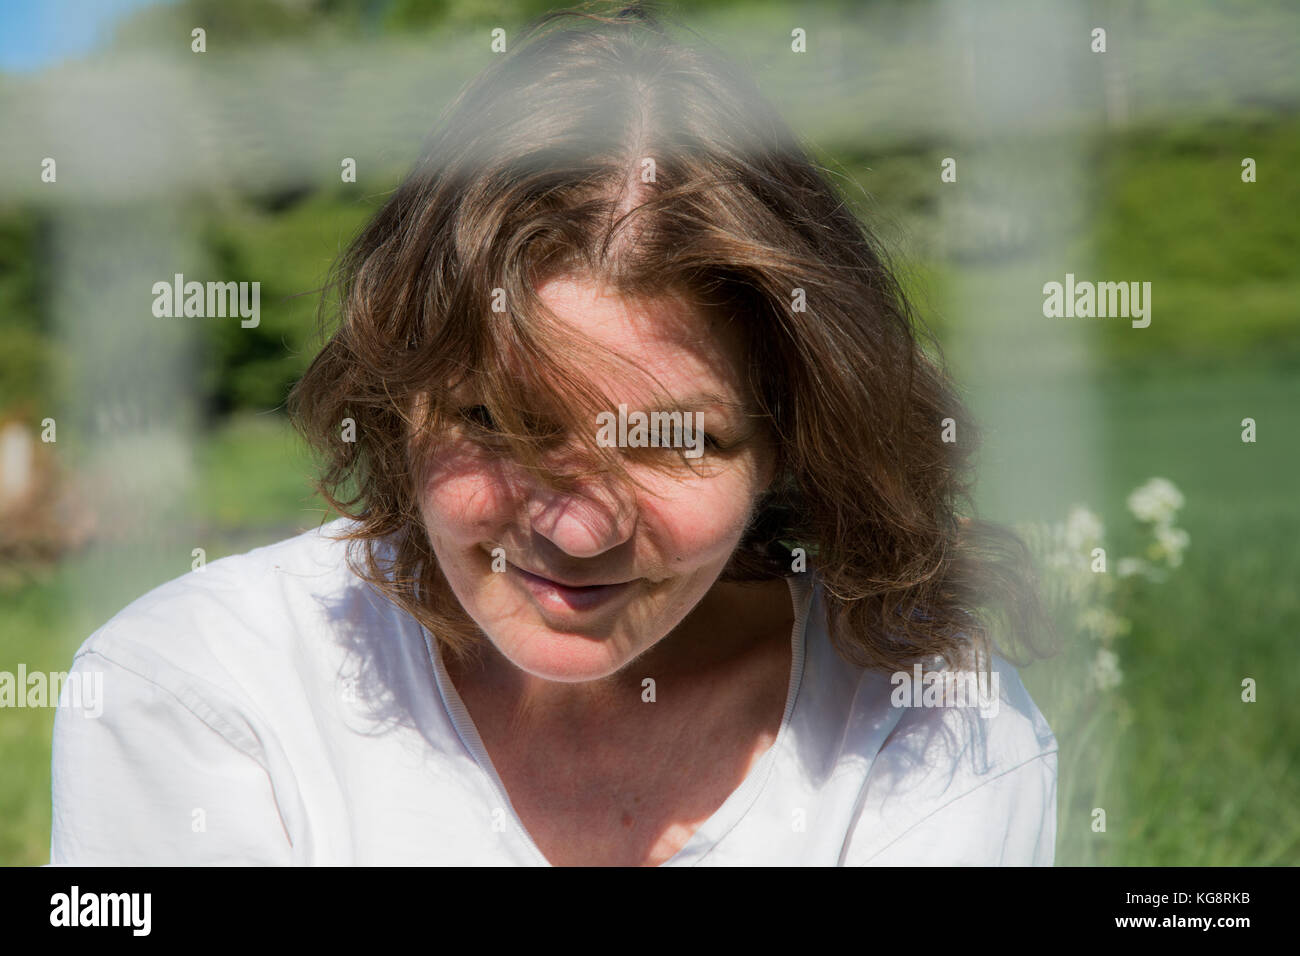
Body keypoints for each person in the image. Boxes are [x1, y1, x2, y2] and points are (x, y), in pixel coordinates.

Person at [50, 3, 1058, 866]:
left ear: (790, 439)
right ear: (399, 397)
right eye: (494, 422)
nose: (575, 531)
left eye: (672, 440)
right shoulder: (193, 690)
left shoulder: (927, 723)